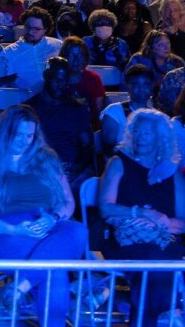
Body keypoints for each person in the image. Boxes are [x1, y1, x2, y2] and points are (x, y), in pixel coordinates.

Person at [0, 105, 86, 326]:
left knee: (78, 230)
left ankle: (19, 287)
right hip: (5, 231)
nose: (24, 141)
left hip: (47, 226)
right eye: (18, 135)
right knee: (55, 271)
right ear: (6, 132)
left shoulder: (47, 158)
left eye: (29, 135)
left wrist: (53, 218)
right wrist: (14, 229)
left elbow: (68, 202)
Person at [99, 109, 185, 327]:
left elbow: (182, 221)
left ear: (160, 138)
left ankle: (149, 319)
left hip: (165, 239)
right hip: (126, 239)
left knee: (162, 259)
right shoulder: (119, 162)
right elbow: (105, 207)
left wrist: (159, 222)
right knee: (156, 262)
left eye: (147, 133)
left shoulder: (171, 173)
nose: (139, 137)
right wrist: (141, 213)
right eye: (136, 131)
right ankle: (168, 314)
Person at [28, 57, 94, 189]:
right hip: (40, 168)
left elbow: (88, 146)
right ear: (47, 78)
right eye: (57, 80)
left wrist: (76, 168)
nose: (61, 85)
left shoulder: (77, 108)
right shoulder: (30, 108)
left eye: (64, 81)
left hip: (71, 168)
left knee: (85, 183)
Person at [101, 64, 159, 155]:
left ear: (152, 87)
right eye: (136, 84)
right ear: (128, 86)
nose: (141, 88)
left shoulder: (157, 116)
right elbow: (108, 147)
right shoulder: (114, 111)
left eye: (146, 84)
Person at [2, 8, 62, 91]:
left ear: (45, 30)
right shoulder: (9, 52)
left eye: (36, 29)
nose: (30, 32)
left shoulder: (57, 45)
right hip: (22, 98)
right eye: (27, 27)